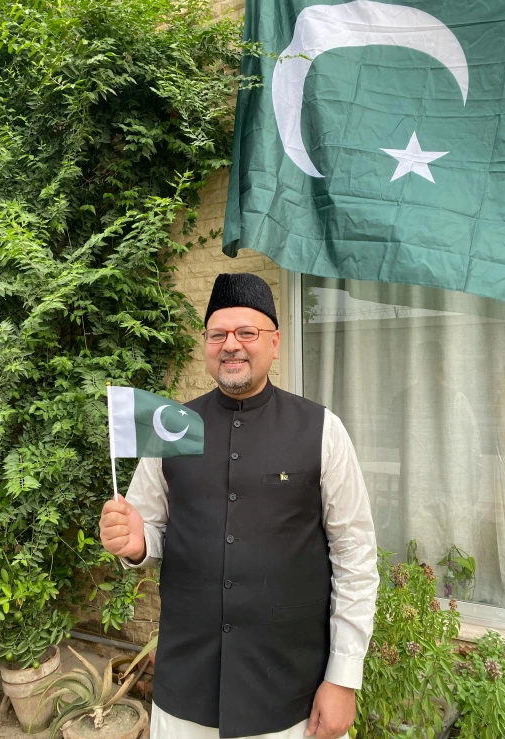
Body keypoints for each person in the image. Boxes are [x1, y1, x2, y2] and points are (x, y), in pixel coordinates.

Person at [99, 273, 379, 739]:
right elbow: (149, 530)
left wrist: (344, 679)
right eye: (217, 334)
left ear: (274, 342)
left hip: (291, 693)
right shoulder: (172, 427)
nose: (231, 344)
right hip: (186, 691)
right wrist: (134, 542)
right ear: (206, 344)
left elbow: (355, 556)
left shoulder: (321, 429)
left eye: (246, 332)